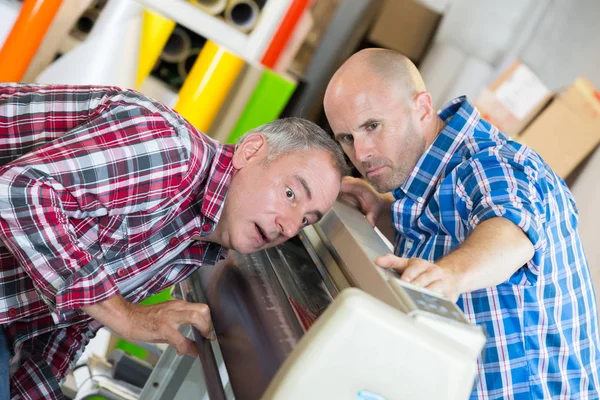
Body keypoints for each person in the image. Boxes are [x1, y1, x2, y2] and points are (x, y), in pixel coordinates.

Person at [0, 83, 348, 399]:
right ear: (251, 151)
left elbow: (70, 327)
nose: (288, 227)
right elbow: (16, 191)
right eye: (289, 193)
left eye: (306, 219)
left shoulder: (192, 244)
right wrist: (127, 316)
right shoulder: (170, 152)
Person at [324, 48, 600, 399]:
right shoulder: (426, 175)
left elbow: (510, 232)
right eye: (347, 138)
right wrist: (384, 213)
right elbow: (447, 235)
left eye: (372, 126)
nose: (360, 153)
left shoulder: (490, 162)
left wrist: (451, 275)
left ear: (422, 108)